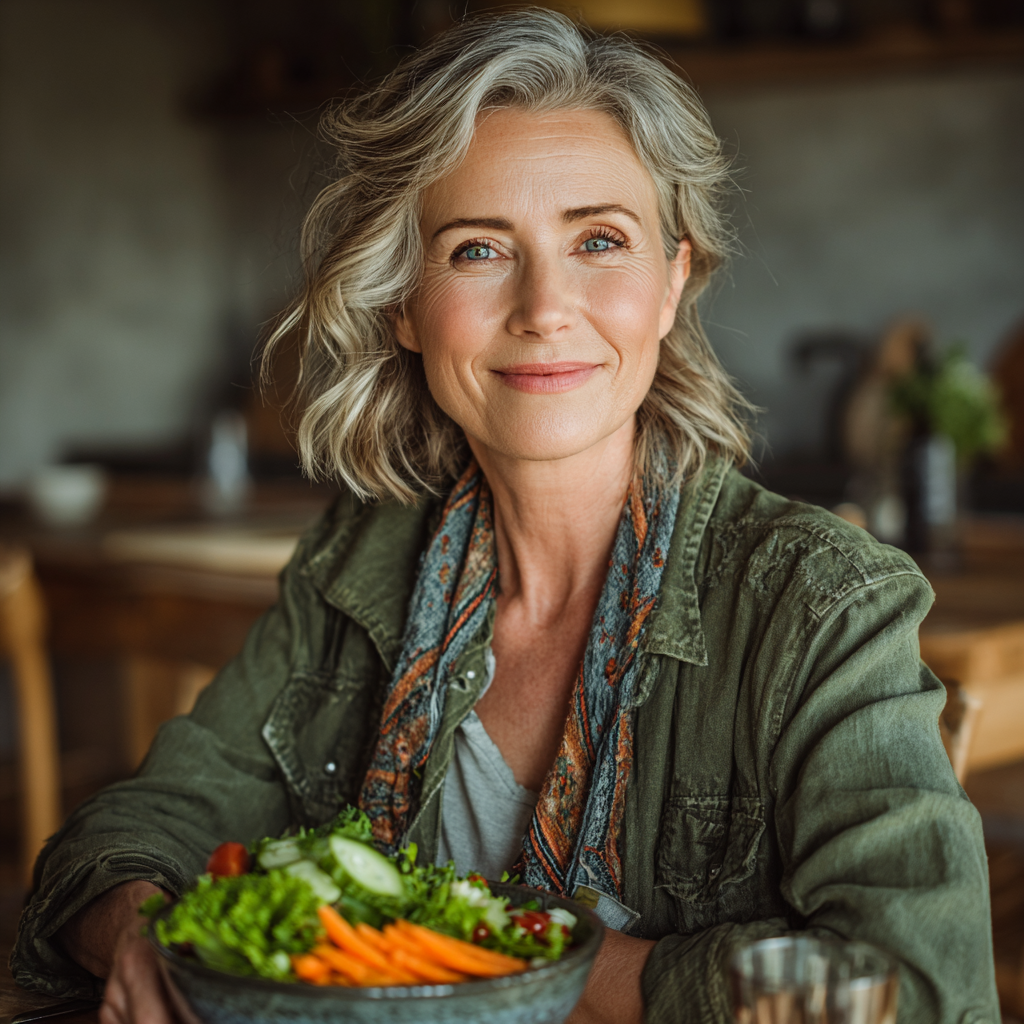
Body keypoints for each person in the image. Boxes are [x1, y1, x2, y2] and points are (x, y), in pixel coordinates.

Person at [12, 10, 998, 1023]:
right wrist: (141, 928)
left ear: (673, 279)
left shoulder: (818, 603)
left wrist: (496, 960)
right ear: (402, 301)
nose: (543, 306)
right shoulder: (364, 556)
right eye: (479, 249)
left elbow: (917, 987)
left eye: (599, 240)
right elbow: (135, 829)